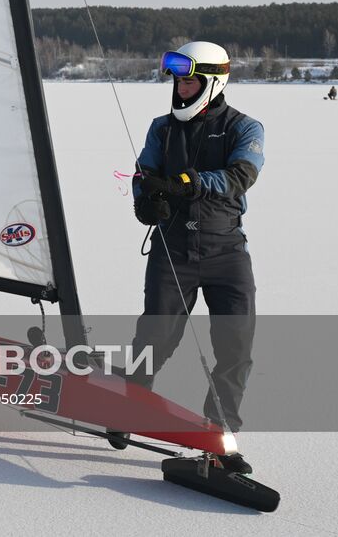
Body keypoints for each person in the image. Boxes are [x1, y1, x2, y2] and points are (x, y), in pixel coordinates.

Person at [127, 41, 264, 471]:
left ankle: (218, 435)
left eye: (189, 81)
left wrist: (189, 183)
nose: (181, 88)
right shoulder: (161, 128)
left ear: (212, 82)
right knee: (155, 340)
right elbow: (143, 173)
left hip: (227, 252)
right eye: (178, 81)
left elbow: (242, 175)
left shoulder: (245, 127)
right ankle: (124, 407)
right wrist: (145, 200)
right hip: (174, 251)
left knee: (235, 346)